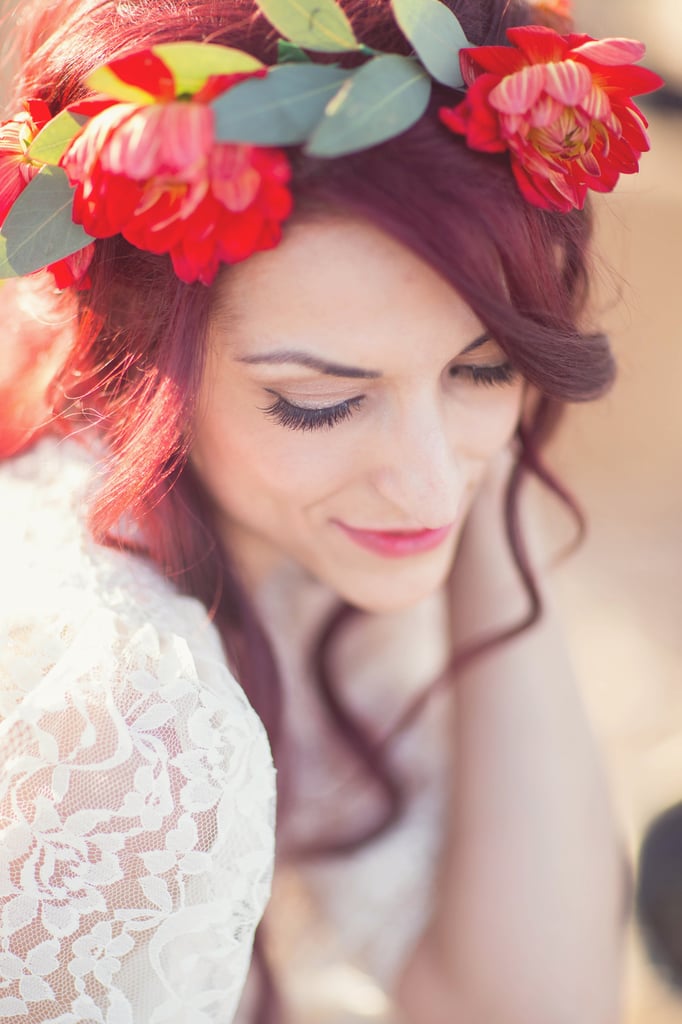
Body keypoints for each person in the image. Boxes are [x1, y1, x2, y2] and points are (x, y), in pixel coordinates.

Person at [0, 1, 662, 1022]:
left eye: (483, 367)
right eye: (322, 400)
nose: (429, 485)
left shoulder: (310, 519)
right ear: (139, 361)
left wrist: (485, 473)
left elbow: (528, 1002)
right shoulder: (129, 724)